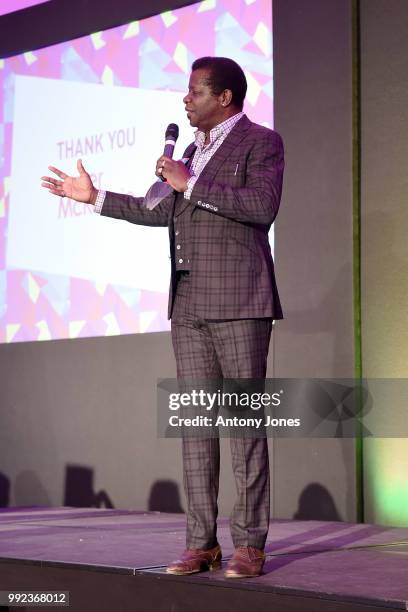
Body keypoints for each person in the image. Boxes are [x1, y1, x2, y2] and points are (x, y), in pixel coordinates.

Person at [41, 56, 284, 578]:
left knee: (243, 427)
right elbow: (156, 210)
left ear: (224, 98)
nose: (185, 99)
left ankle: (250, 545)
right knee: (196, 430)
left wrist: (189, 184)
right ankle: (202, 543)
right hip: (189, 305)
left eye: (195, 91)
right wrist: (94, 197)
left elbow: (263, 205)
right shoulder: (192, 152)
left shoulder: (260, 142)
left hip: (240, 303)